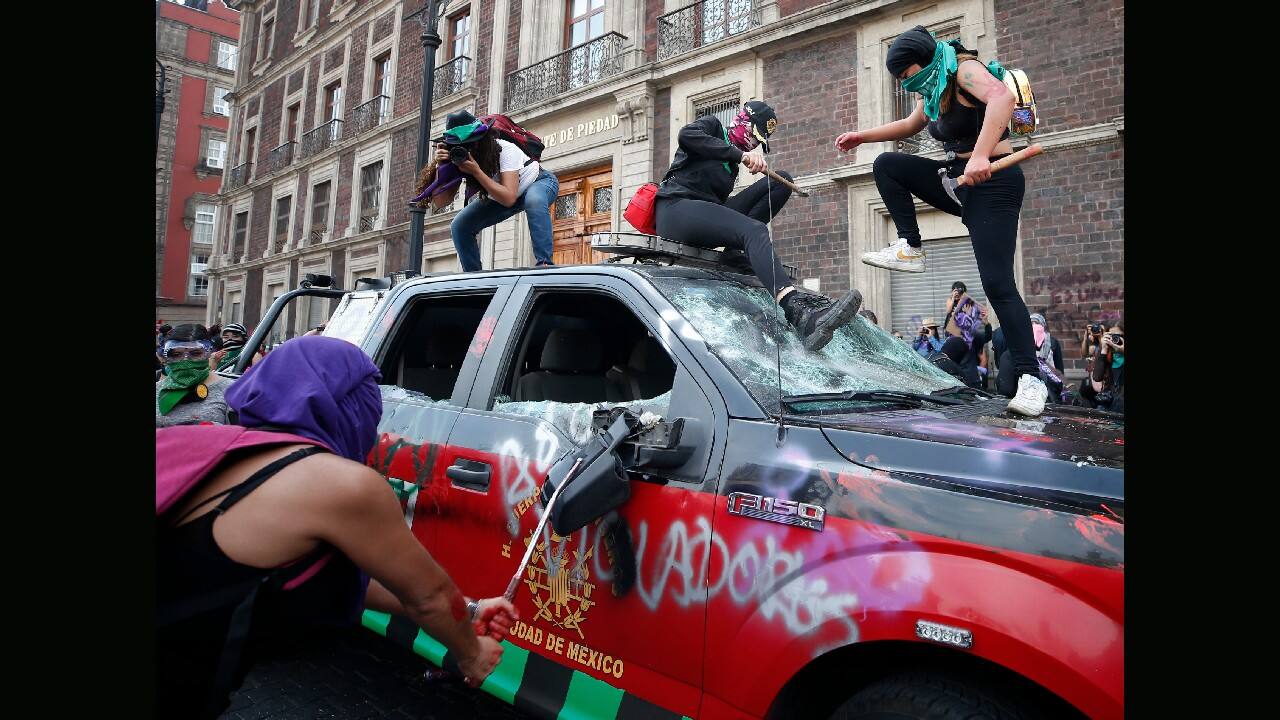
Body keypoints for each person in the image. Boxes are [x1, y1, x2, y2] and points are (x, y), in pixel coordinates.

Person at [157, 336, 518, 719]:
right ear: (350, 405)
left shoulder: (210, 444)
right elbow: (427, 597)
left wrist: (467, 608)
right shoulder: (339, 483)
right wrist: (472, 653)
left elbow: (359, 581)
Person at [834, 26, 1047, 416]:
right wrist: (862, 137)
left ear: (922, 61)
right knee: (888, 165)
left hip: (994, 182)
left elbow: (1002, 98)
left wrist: (982, 155)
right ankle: (910, 245)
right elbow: (910, 127)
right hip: (957, 180)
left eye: (905, 74)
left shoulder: (964, 71)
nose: (905, 82)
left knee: (998, 284)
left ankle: (1031, 380)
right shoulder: (934, 88)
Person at [656, 100, 862, 351]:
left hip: (704, 216)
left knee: (781, 181)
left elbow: (718, 206)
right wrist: (740, 155)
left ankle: (735, 253)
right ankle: (798, 313)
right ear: (743, 122)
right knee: (754, 230)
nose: (754, 145)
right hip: (676, 210)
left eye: (758, 142)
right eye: (754, 137)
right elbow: (687, 136)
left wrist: (739, 159)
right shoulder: (711, 127)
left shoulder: (731, 167)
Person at [418, 110, 560, 271]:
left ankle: (544, 264)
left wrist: (476, 172)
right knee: (459, 226)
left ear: (482, 140)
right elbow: (441, 201)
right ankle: (473, 277)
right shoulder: (457, 159)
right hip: (504, 194)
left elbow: (509, 198)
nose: (469, 149)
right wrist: (441, 166)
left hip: (538, 182)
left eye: (472, 143)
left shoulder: (505, 149)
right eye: (462, 146)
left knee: (534, 201)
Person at [156, 324, 231, 427]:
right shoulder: (157, 389)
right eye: (176, 355)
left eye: (195, 353)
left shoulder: (230, 390)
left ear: (208, 353)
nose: (185, 360)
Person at [996, 312, 1066, 403]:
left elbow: (1059, 368)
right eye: (1031, 324)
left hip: (1051, 390)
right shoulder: (1018, 349)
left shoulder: (1053, 343)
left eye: (1037, 323)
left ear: (1043, 326)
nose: (1034, 327)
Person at [1076, 321, 1124, 412]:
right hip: (1111, 403)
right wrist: (1104, 350)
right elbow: (1097, 377)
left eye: (1118, 335)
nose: (1115, 338)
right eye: (1111, 336)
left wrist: (1122, 350)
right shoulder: (1106, 354)